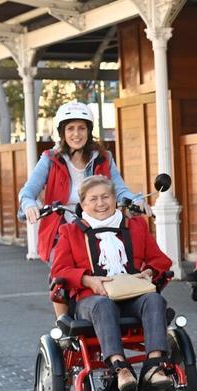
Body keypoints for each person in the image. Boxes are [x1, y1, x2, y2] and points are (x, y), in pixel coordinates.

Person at [49, 176, 173, 391]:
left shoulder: (136, 226)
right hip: (91, 300)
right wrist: (88, 280)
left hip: (132, 294)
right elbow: (59, 271)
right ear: (83, 204)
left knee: (155, 299)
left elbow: (160, 259)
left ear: (115, 199)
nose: (101, 203)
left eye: (106, 197)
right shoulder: (70, 232)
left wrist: (150, 271)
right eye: (93, 199)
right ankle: (119, 368)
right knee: (104, 306)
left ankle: (153, 367)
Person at [19, 102, 140, 316]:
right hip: (62, 228)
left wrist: (135, 200)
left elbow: (121, 190)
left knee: (121, 261)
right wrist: (30, 206)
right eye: (71, 128)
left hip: (100, 225)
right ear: (62, 132)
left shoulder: (104, 158)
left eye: (82, 128)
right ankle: (63, 324)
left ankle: (116, 311)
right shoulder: (50, 159)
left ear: (89, 131)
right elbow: (27, 193)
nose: (76, 134)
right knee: (61, 272)